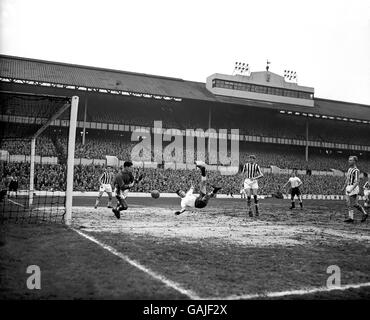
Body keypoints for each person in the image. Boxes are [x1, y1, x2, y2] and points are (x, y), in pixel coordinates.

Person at [342, 156, 368, 223]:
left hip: (353, 187)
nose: (349, 161)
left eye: (350, 160)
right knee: (349, 203)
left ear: (354, 161)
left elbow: (357, 182)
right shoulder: (349, 169)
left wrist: (351, 189)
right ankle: (352, 217)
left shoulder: (356, 171)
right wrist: (344, 186)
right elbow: (347, 179)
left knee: (353, 204)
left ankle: (364, 213)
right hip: (348, 186)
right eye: (349, 160)